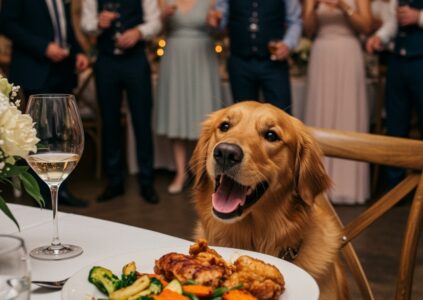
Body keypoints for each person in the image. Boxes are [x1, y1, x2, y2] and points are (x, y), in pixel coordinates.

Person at [0, 0, 90, 207]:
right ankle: (42, 199)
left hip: (63, 71)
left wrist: (78, 53)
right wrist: (43, 48)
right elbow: (6, 24)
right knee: (39, 136)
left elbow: (64, 30)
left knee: (62, 134)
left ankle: (61, 191)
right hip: (35, 69)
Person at [81, 0, 162, 204]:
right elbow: (85, 24)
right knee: (109, 122)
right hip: (106, 61)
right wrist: (98, 24)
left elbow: (156, 22)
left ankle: (147, 181)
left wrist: (139, 32)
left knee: (142, 121)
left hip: (136, 61)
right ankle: (114, 181)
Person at [303, 0, 372, 204]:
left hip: (347, 53)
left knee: (347, 115)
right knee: (319, 116)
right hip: (322, 54)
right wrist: (310, 7)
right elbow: (308, 30)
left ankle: (349, 187)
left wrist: (344, 6)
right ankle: (317, 185)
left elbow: (366, 27)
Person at [155, 0, 223, 194]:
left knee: (204, 113)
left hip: (202, 58)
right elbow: (155, 29)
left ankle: (205, 173)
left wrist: (214, 24)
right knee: (176, 111)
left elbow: (219, 30)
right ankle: (180, 172)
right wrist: (163, 17)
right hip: (175, 57)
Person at [367, 0, 423, 190]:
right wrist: (380, 37)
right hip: (397, 63)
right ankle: (395, 187)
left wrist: (419, 17)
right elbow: (392, 21)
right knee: (395, 124)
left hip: (421, 62)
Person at [207, 0, 302, 112]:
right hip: (240, 62)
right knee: (243, 115)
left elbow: (295, 22)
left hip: (274, 63)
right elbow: (220, 21)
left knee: (281, 114)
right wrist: (215, 21)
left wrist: (287, 44)